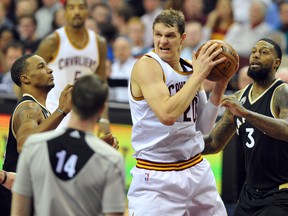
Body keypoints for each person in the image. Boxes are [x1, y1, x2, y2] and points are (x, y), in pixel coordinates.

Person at [127, 9, 237, 215]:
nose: (162, 41)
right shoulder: (147, 65)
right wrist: (199, 75)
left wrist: (221, 83)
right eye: (157, 34)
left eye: (169, 35)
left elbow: (203, 126)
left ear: (182, 39)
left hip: (196, 170)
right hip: (157, 176)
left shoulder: (189, 69)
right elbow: (167, 115)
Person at [11, 74, 126, 216]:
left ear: (69, 102)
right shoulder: (111, 159)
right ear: (102, 109)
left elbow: (18, 211)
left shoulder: (34, 146)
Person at [203, 38, 288, 215]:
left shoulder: (282, 92)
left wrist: (246, 114)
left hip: (280, 193)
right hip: (249, 193)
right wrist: (178, 143)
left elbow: (286, 130)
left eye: (264, 52)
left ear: (276, 63)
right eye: (253, 51)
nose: (256, 55)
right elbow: (214, 143)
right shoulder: (240, 97)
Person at [0, 53, 72, 216]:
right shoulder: (29, 107)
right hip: (14, 199)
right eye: (41, 67)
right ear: (25, 79)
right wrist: (62, 110)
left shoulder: (42, 111)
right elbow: (25, 145)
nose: (50, 70)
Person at [36, 0, 110, 135]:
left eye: (81, 7)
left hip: (85, 115)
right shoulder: (53, 41)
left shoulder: (99, 43)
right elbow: (30, 75)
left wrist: (104, 120)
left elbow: (101, 84)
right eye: (71, 7)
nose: (77, 12)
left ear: (87, 12)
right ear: (65, 13)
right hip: (54, 112)